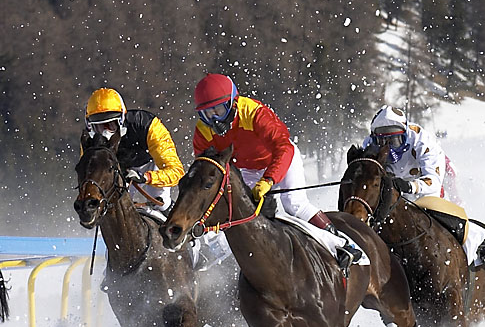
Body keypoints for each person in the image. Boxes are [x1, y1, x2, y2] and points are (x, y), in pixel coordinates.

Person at [192, 73, 362, 273]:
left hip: (279, 159)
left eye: (218, 110)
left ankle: (341, 243)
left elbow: (284, 148)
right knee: (233, 210)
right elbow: (207, 168)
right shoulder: (203, 131)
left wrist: (269, 180)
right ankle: (212, 255)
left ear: (233, 102)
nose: (213, 119)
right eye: (206, 114)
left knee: (294, 204)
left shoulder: (254, 113)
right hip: (247, 169)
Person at [364, 105, 485, 270]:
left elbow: (433, 182)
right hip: (397, 186)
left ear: (405, 135)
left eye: (394, 141)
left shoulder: (421, 140)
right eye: (382, 142)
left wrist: (409, 186)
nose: (389, 149)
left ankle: (481, 244)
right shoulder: (368, 146)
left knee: (434, 210)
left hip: (432, 180)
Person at [83, 88, 185, 217]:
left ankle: (181, 226)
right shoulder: (89, 140)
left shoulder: (147, 125)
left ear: (122, 119)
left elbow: (176, 172)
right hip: (117, 171)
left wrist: (146, 177)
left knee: (159, 200)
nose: (105, 134)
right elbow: (88, 178)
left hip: (150, 163)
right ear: (90, 126)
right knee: (110, 205)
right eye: (99, 127)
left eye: (111, 126)